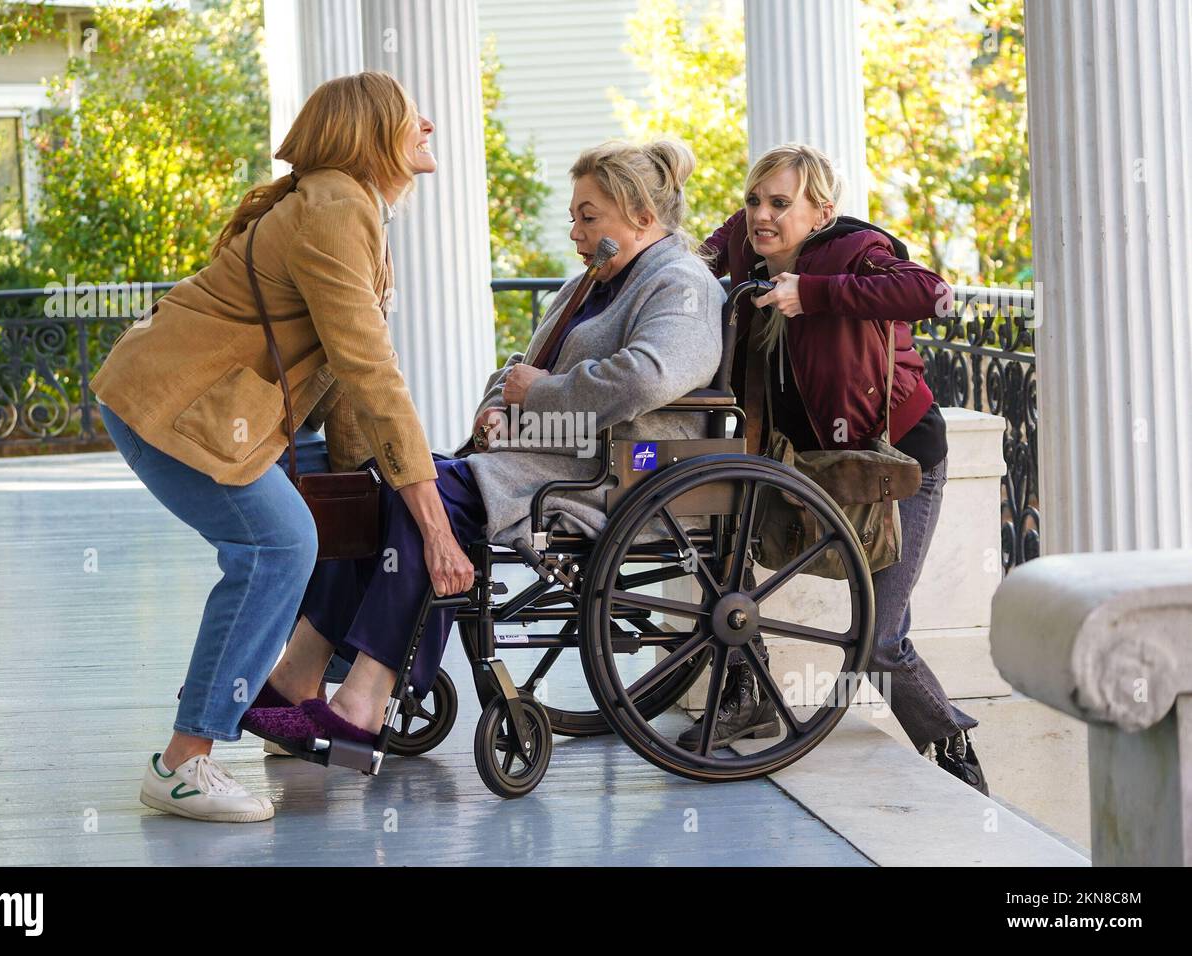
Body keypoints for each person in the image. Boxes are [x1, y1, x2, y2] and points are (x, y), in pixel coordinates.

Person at [241, 139, 725, 750]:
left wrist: (541, 395)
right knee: (382, 484)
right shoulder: (593, 282)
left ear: (642, 218)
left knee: (433, 498)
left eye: (588, 216)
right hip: (547, 452)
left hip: (620, 469)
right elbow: (521, 367)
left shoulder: (681, 284)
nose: (575, 230)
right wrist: (498, 404)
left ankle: (364, 700)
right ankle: (297, 677)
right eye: (574, 215)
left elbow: (648, 376)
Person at [90, 71, 472, 822]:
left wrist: (386, 485)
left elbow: (344, 376)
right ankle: (182, 763)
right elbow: (370, 371)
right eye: (410, 115)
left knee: (289, 542)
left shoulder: (344, 202)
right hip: (170, 407)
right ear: (372, 134)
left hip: (177, 402)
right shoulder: (336, 208)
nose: (428, 124)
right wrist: (432, 520)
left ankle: (286, 705)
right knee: (277, 546)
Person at [687, 143, 988, 794]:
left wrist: (814, 294)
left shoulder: (853, 250)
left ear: (822, 212)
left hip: (893, 464)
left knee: (878, 641)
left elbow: (931, 293)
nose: (760, 215)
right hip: (802, 462)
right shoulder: (744, 241)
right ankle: (748, 687)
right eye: (753, 200)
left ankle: (950, 740)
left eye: (780, 203)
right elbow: (683, 262)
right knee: (717, 538)